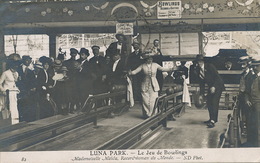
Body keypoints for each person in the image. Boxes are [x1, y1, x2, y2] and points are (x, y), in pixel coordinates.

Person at [129, 53, 175, 118]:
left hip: (154, 85)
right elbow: (135, 71)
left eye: (151, 58)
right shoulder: (142, 66)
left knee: (154, 99)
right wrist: (130, 72)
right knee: (145, 99)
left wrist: (171, 69)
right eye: (148, 59)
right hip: (145, 84)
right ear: (146, 59)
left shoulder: (155, 65)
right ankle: (147, 114)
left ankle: (154, 114)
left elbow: (162, 69)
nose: (150, 60)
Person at [195, 54, 225, 128]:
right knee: (209, 102)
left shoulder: (210, 66)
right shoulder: (198, 70)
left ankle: (213, 121)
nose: (199, 63)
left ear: (203, 61)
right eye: (198, 61)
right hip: (210, 87)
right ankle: (211, 118)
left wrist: (214, 87)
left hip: (217, 86)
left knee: (214, 102)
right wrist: (201, 94)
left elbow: (218, 78)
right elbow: (201, 83)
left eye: (201, 61)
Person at [244, 59, 260, 147]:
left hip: (258, 105)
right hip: (250, 105)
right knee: (250, 124)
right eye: (253, 66)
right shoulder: (251, 77)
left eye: (257, 66)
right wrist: (247, 100)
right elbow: (247, 91)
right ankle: (251, 143)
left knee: (258, 125)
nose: (255, 68)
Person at [16, 55, 37, 122]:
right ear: (23, 61)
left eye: (29, 60)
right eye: (27, 60)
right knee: (21, 105)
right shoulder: (18, 69)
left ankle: (27, 119)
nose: (28, 62)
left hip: (28, 91)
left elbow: (33, 81)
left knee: (28, 105)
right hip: (20, 90)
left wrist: (33, 87)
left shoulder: (31, 71)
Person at [237, 56, 253, 137]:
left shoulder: (252, 75)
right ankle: (245, 130)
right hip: (243, 97)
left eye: (244, 64)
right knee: (244, 114)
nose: (242, 66)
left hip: (249, 98)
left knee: (249, 116)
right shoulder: (243, 74)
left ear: (248, 65)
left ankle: (249, 132)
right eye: (241, 65)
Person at [0, 60, 20, 124]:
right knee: (8, 107)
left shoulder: (16, 73)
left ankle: (15, 122)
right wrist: (3, 90)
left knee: (14, 107)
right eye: (15, 65)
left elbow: (14, 83)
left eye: (17, 65)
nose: (16, 66)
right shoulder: (5, 73)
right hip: (7, 92)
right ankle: (8, 122)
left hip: (14, 92)